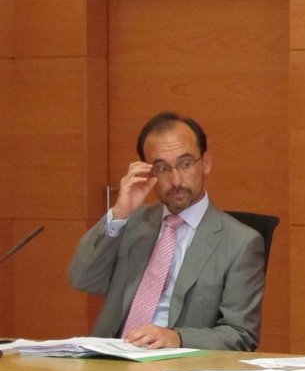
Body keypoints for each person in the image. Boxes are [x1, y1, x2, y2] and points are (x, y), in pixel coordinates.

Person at [68, 112, 265, 351]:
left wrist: (177, 338)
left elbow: (241, 335)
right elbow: (83, 279)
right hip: (111, 358)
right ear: (147, 173)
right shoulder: (130, 223)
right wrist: (119, 213)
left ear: (205, 163)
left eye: (185, 163)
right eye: (162, 168)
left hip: (177, 364)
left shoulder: (240, 242)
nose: (176, 180)